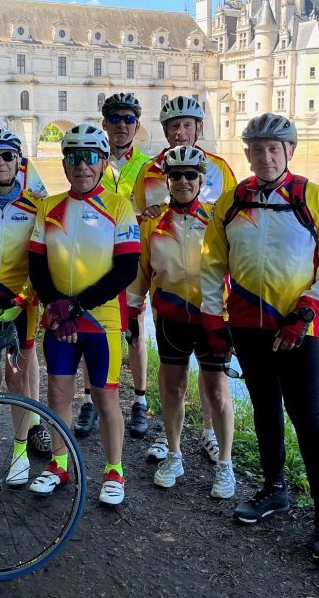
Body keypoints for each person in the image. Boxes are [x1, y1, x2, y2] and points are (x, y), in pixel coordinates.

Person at [200, 113, 319, 565]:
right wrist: (213, 320)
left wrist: (306, 311)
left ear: (290, 152)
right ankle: (273, 489)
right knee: (264, 407)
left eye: (274, 148)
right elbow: (210, 264)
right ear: (247, 154)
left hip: (298, 329)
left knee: (307, 416)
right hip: (247, 326)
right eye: (257, 149)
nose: (266, 156)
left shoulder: (313, 198)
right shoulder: (231, 201)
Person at [27, 124, 140, 507]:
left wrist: (75, 307)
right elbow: (37, 266)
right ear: (64, 163)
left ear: (104, 162)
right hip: (59, 317)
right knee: (57, 392)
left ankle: (114, 470)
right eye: (74, 158)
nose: (82, 166)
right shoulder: (48, 207)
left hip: (102, 320)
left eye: (91, 157)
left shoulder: (119, 206)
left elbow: (126, 269)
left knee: (105, 398)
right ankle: (60, 464)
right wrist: (57, 306)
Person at [129, 95, 236, 459]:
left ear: (198, 127)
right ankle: (169, 433)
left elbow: (233, 221)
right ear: (165, 131)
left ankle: (208, 429)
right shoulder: (149, 171)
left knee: (211, 373)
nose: (180, 131)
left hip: (210, 288)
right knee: (172, 371)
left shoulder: (220, 167)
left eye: (187, 124)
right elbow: (137, 221)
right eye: (173, 126)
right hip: (168, 282)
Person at [0, 129, 52, 480]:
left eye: (7, 156)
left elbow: (44, 261)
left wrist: (23, 299)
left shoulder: (37, 207)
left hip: (23, 305)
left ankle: (19, 455)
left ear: (19, 162)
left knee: (19, 379)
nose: (0, 162)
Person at [71, 93, 154, 441]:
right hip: (96, 258)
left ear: (137, 124)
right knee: (94, 328)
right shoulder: (93, 158)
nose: (122, 125)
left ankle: (139, 400)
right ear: (104, 124)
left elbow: (162, 208)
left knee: (134, 331)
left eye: (129, 119)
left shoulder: (150, 166)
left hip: (134, 258)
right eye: (115, 119)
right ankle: (90, 399)